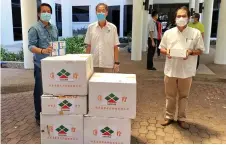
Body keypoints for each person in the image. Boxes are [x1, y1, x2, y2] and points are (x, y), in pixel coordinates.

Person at [159, 6, 205, 129]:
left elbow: (200, 50)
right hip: (171, 70)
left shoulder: (195, 33)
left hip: (186, 70)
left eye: (183, 16)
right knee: (170, 95)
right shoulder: (168, 33)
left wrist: (190, 52)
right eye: (178, 16)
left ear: (188, 18)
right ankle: (169, 116)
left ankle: (181, 118)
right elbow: (161, 48)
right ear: (175, 19)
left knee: (184, 96)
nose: (181, 18)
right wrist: (167, 51)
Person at [28, 3, 58, 125]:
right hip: (40, 65)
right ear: (39, 14)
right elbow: (30, 46)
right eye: (44, 11)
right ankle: (39, 116)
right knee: (40, 90)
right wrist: (42, 50)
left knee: (54, 90)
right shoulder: (34, 28)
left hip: (54, 64)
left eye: (48, 11)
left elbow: (56, 43)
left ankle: (52, 111)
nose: (46, 13)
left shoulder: (54, 28)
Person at [84, 3, 120, 73]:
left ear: (107, 13)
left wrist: (116, 63)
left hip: (108, 64)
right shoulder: (91, 27)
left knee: (108, 83)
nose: (101, 13)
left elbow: (115, 46)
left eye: (103, 11)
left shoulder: (113, 28)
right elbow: (88, 46)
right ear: (96, 13)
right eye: (98, 11)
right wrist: (86, 62)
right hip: (94, 63)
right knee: (94, 83)